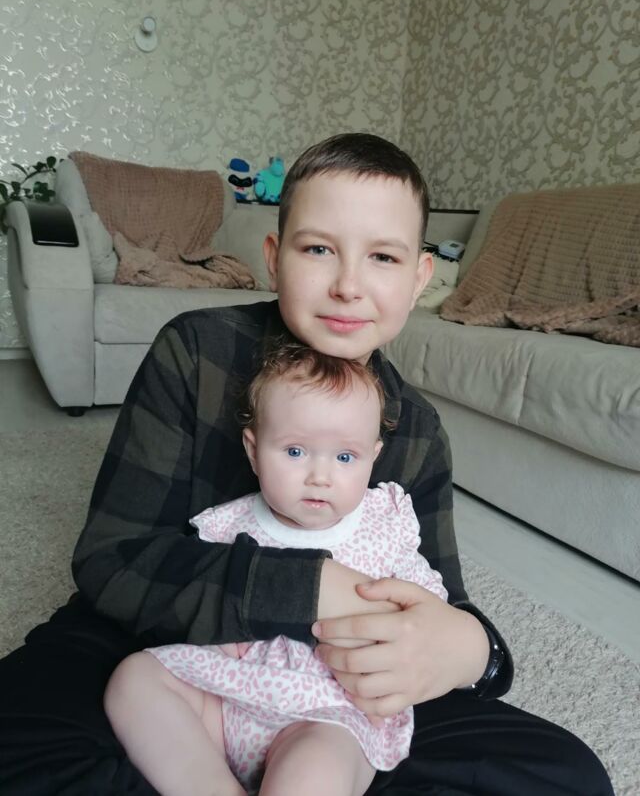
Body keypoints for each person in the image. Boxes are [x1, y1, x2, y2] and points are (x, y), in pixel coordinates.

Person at [0, 133, 613, 796]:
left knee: (568, 778)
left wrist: (475, 651)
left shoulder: (416, 430)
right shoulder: (197, 353)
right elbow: (112, 564)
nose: (348, 286)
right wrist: (310, 587)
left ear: (418, 279)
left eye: (383, 257)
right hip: (171, 646)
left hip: (334, 694)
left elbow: (442, 600)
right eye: (318, 249)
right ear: (274, 259)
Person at [105, 344, 450, 796]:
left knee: (312, 772)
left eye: (345, 458)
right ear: (253, 451)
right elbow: (193, 590)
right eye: (295, 451)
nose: (320, 476)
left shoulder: (383, 523)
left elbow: (428, 610)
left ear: (373, 456)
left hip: (329, 709)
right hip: (227, 693)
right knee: (134, 679)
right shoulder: (228, 523)